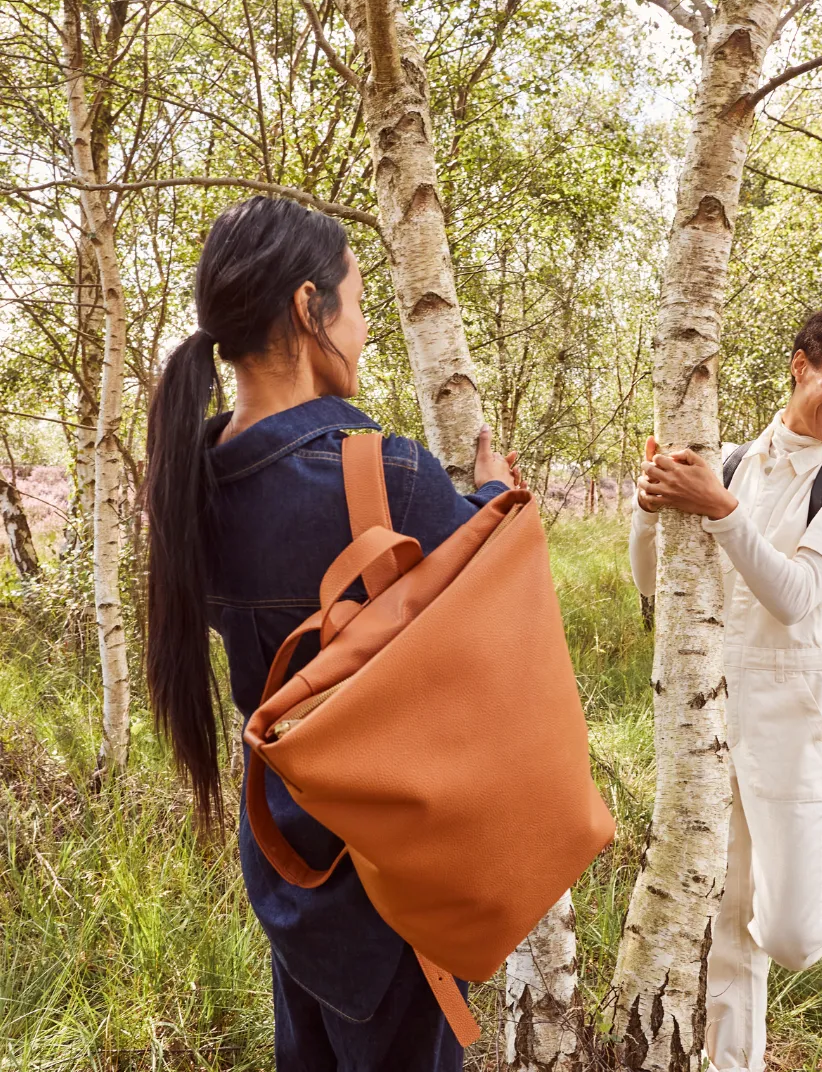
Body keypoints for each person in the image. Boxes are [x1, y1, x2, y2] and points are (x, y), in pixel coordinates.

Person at [143, 196, 521, 1071]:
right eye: (354, 308)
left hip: (286, 861)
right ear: (310, 310)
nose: (363, 334)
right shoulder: (383, 472)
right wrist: (493, 503)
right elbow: (494, 616)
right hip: (396, 882)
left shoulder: (188, 486)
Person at [629, 304, 822, 1072]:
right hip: (710, 711)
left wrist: (718, 512)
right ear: (801, 365)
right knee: (725, 918)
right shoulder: (730, 460)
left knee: (788, 934)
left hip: (795, 712)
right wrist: (651, 510)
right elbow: (655, 584)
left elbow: (792, 596)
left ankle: (814, 882)